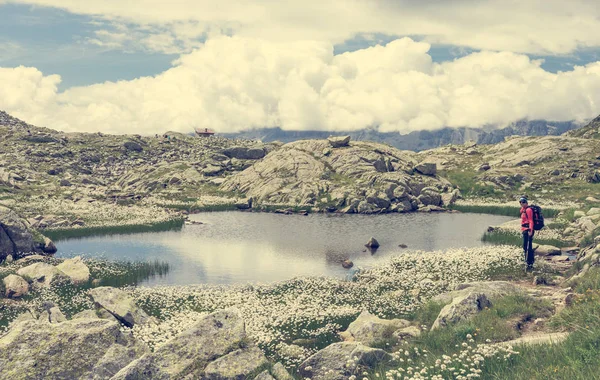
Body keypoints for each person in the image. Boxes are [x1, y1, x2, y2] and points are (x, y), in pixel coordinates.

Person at [519, 196, 535, 271]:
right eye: (520, 202)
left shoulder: (528, 210)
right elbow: (521, 212)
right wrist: (523, 207)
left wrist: (530, 231)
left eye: (523, 202)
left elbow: (531, 221)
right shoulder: (523, 210)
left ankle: (529, 262)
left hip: (528, 230)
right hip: (524, 230)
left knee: (527, 246)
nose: (521, 203)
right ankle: (528, 261)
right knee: (525, 246)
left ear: (526, 202)